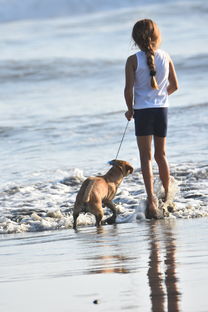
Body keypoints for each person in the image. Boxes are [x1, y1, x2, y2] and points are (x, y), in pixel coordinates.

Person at [124, 19, 178, 218]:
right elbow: (174, 86)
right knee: (161, 155)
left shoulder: (132, 60)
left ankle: (152, 201)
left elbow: (128, 90)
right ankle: (168, 198)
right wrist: (160, 97)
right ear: (157, 36)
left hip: (143, 112)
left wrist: (130, 109)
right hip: (161, 110)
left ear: (135, 39)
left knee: (145, 158)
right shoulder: (166, 56)